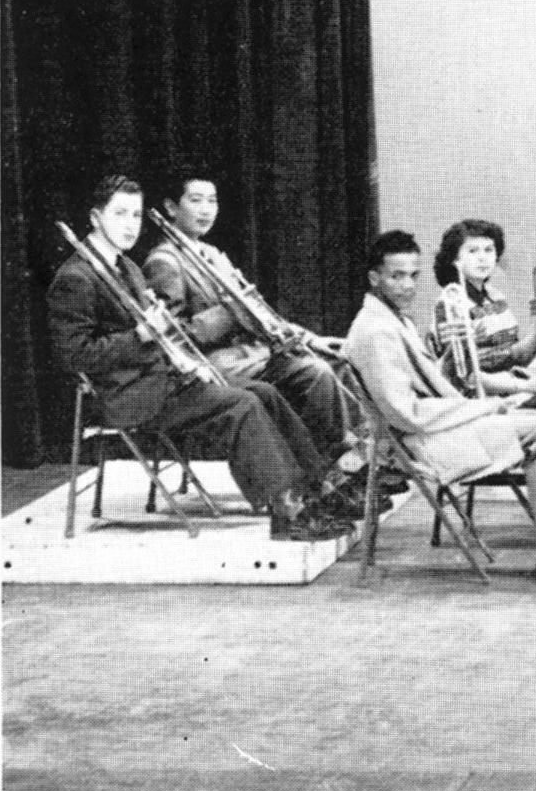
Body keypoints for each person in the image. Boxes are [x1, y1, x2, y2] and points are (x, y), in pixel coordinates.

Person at [48, 175, 352, 541]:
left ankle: (317, 491)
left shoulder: (126, 268)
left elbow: (164, 334)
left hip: (163, 380)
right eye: (120, 214)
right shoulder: (77, 277)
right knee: (243, 405)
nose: (131, 225)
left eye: (136, 215)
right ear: (96, 219)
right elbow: (74, 355)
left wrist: (182, 357)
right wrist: (139, 336)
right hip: (129, 395)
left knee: (265, 394)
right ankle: (288, 512)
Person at [343, 229, 536, 582]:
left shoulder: (394, 318)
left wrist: (462, 379)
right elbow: (404, 413)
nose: (408, 285)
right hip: (421, 441)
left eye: (413, 275)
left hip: (439, 423)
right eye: (396, 276)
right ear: (374, 278)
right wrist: (485, 408)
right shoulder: (377, 330)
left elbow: (433, 381)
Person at [142, 167, 358, 468]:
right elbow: (173, 339)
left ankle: (336, 464)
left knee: (332, 365)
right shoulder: (164, 262)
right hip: (219, 363)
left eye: (212, 201)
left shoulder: (212, 253)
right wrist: (227, 311)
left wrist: (309, 338)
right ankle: (325, 470)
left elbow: (259, 311)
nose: (206, 210)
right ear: (171, 207)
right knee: (315, 374)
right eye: (196, 200)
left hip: (253, 354)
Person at [426, 218, 536, 469]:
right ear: (455, 260)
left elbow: (518, 357)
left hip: (511, 388)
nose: (483, 258)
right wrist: (527, 385)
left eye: (489, 250)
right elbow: (467, 378)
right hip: (481, 402)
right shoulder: (451, 304)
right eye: (473, 251)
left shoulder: (494, 297)